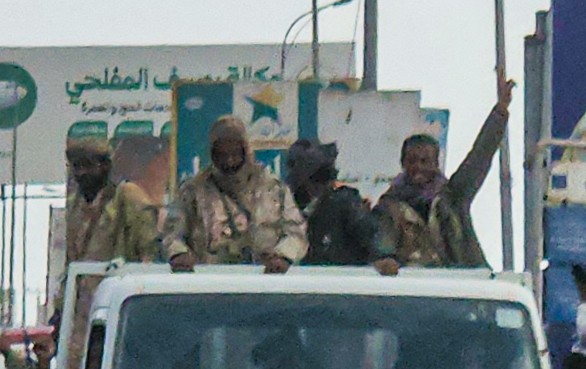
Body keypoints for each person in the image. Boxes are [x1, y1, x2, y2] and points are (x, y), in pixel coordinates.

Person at [374, 82, 513, 270]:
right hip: (412, 282)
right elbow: (381, 248)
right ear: (403, 163)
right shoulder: (388, 206)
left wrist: (500, 113)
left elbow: (479, 157)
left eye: (425, 161)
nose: (418, 167)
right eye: (412, 160)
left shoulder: (453, 196)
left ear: (436, 164)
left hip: (460, 280)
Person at [161, 116, 305, 271]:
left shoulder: (273, 190)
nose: (229, 161)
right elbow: (172, 234)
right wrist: (179, 254)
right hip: (208, 277)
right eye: (222, 155)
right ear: (212, 154)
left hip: (264, 278)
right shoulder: (193, 192)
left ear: (245, 151)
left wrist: (283, 256)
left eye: (235, 154)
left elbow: (296, 232)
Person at [285, 140, 392, 271]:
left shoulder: (345, 202)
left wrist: (382, 258)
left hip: (342, 278)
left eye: (326, 175)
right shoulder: (285, 204)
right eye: (315, 177)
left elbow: (370, 233)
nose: (322, 184)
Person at [61, 137, 160, 265]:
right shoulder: (74, 205)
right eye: (76, 166)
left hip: (120, 276)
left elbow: (148, 247)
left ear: (106, 166)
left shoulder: (127, 195)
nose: (82, 172)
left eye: (88, 165)